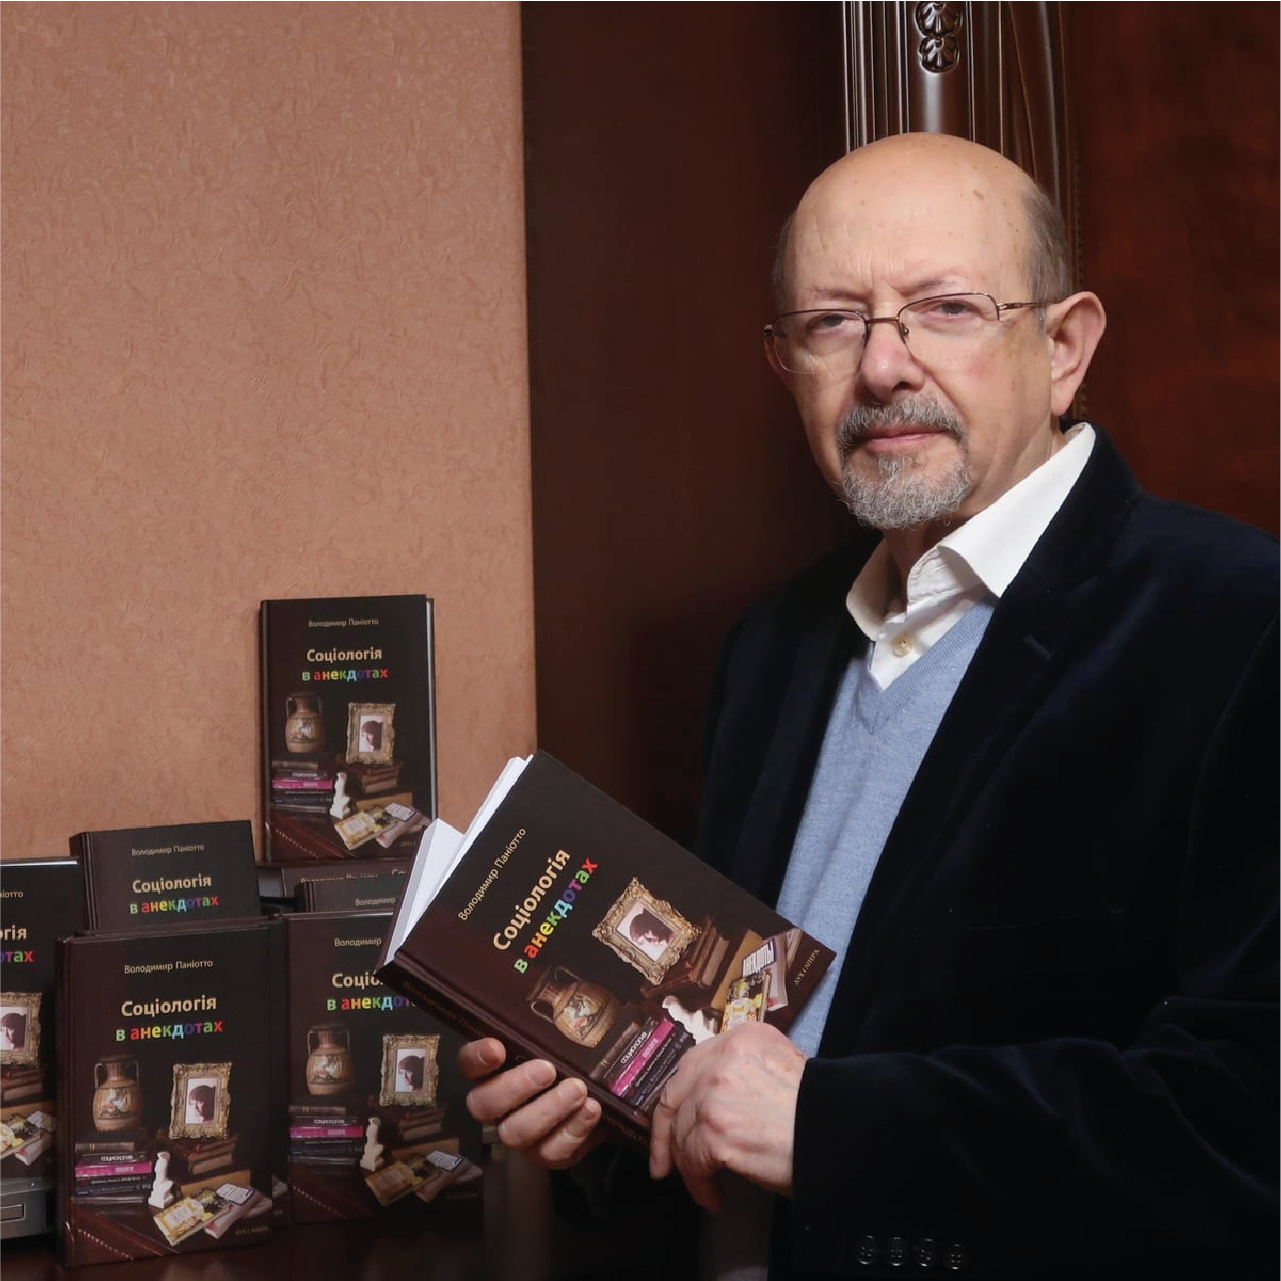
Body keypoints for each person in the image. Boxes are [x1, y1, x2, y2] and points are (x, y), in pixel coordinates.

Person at [459, 132, 1281, 1279]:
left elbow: (1248, 1118)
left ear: (1064, 348)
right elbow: (738, 1047)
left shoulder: (1237, 622)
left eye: (946, 308)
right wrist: (604, 1113)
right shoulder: (773, 649)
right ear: (784, 364)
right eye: (833, 322)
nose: (884, 366)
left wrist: (834, 1131)